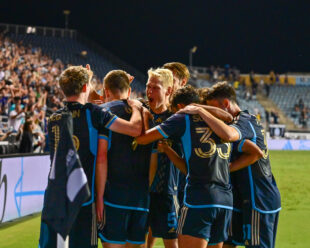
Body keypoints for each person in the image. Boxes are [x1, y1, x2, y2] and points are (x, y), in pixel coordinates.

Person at [136, 86, 259, 248]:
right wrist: (168, 150)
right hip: (224, 201)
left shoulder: (181, 118)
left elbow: (142, 139)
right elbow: (254, 151)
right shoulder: (220, 121)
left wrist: (144, 116)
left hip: (199, 198)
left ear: (180, 107)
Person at [39, 65, 143, 248]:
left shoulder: (53, 118)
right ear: (86, 88)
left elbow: (94, 102)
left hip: (54, 198)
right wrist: (134, 106)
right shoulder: (94, 114)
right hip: (83, 199)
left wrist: (89, 81)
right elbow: (134, 129)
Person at [184, 82, 281, 248]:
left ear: (226, 104)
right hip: (239, 197)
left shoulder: (243, 122)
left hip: (258, 198)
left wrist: (227, 169)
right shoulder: (239, 122)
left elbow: (252, 151)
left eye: (214, 109)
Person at [96, 70, 152, 248]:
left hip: (114, 197)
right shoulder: (147, 113)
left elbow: (102, 158)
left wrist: (99, 196)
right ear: (129, 91)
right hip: (141, 198)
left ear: (106, 91)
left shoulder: (104, 112)